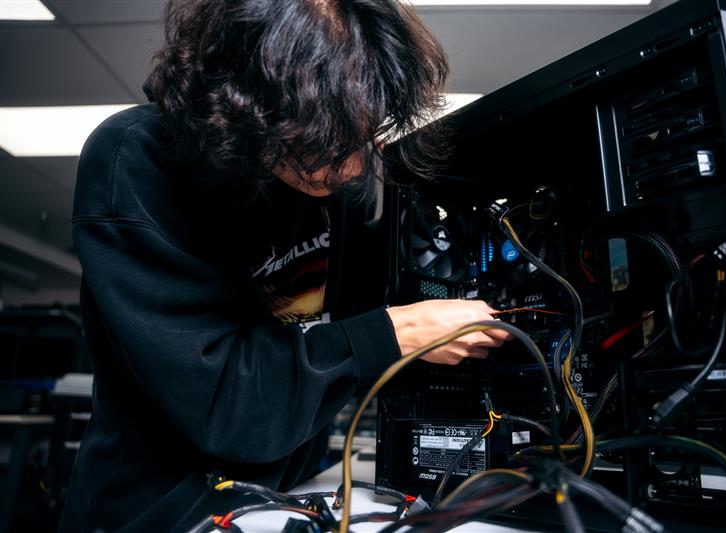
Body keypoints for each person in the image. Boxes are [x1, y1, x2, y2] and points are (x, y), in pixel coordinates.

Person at [59, 1, 510, 531]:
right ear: (253, 107)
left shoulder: (328, 176)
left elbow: (350, 336)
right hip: (153, 512)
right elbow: (225, 405)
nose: (357, 166)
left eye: (366, 134)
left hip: (281, 495)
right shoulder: (136, 161)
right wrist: (390, 334)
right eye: (335, 141)